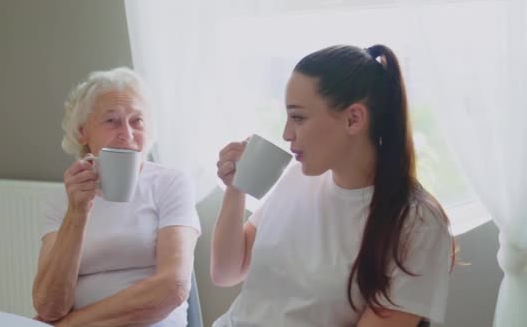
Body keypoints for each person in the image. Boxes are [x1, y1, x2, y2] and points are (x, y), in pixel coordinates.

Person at [211, 45, 455, 327]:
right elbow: (226, 272)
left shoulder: (417, 223)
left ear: (354, 119)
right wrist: (236, 188)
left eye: (298, 117)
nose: (286, 133)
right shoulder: (296, 179)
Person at [32, 67, 201, 326]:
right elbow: (49, 306)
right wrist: (78, 212)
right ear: (82, 132)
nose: (127, 133)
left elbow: (173, 287)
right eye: (111, 120)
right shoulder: (63, 199)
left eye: (137, 121)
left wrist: (71, 325)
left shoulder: (171, 183)